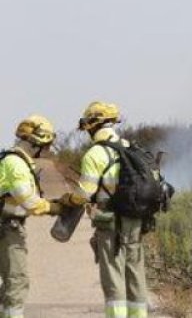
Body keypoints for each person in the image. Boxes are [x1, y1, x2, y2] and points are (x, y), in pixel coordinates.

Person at [59, 102, 150, 318]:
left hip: (110, 224)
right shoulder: (130, 148)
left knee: (113, 278)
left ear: (93, 124)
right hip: (135, 221)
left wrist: (69, 199)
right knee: (135, 275)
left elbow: (83, 194)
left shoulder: (95, 154)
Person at [1, 115, 63, 318]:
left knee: (8, 283)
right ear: (35, 142)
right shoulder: (16, 164)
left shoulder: (11, 159)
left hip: (6, 226)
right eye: (45, 145)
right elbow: (28, 201)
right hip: (7, 230)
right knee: (17, 280)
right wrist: (55, 208)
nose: (46, 150)